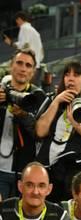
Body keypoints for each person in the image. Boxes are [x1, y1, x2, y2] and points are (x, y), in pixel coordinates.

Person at [35, 60, 81, 204]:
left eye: (76, 75)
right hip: (49, 172)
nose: (70, 79)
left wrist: (78, 126)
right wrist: (56, 102)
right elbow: (40, 132)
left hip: (77, 174)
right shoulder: (52, 100)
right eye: (67, 74)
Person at [0, 49, 48, 202]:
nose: (23, 68)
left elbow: (40, 134)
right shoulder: (1, 91)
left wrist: (23, 115)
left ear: (33, 72)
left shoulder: (39, 97)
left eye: (28, 65)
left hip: (25, 173)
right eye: (19, 63)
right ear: (11, 65)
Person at [3, 11, 44, 83]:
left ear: (19, 19)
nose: (16, 23)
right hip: (35, 66)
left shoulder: (24, 28)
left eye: (16, 21)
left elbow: (24, 46)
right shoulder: (32, 30)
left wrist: (11, 44)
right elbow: (41, 52)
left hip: (29, 67)